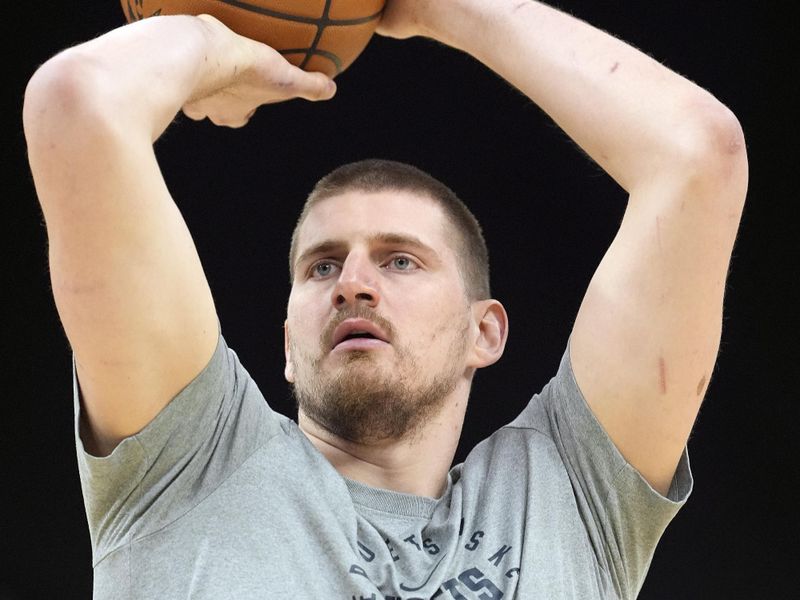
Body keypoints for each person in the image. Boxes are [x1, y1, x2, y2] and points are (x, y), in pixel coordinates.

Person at [22, 1, 748, 598]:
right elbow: (76, 104)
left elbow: (697, 155)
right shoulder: (191, 462)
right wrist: (209, 38)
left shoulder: (569, 495)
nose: (353, 284)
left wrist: (441, 9)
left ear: (484, 332)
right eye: (321, 266)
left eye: (400, 260)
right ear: (284, 343)